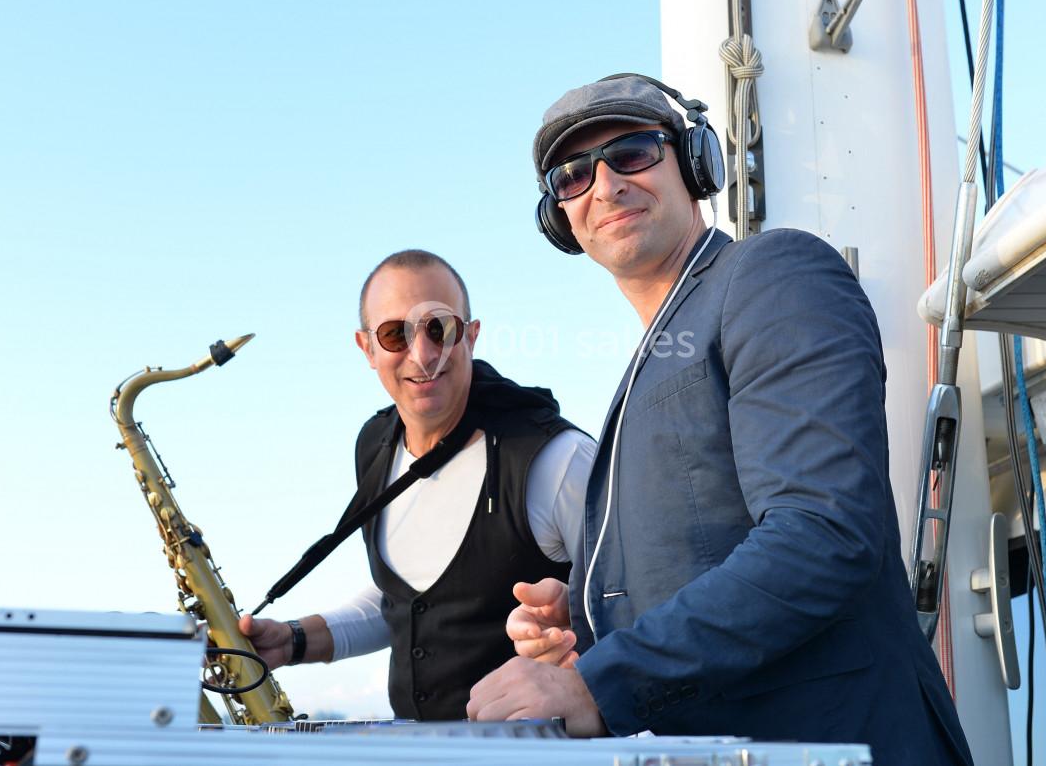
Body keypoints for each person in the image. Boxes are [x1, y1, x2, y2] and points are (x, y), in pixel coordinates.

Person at [466, 76, 974, 765]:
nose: (604, 186)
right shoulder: (657, 350)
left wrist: (598, 684)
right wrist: (588, 613)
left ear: (695, 164)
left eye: (632, 153)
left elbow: (821, 533)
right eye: (573, 175)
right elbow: (708, 547)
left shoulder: (774, 273)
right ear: (560, 216)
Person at [240, 249, 595, 720]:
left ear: (471, 336)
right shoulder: (374, 444)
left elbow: (639, 605)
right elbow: (407, 602)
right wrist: (294, 640)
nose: (423, 355)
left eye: (440, 329)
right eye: (394, 334)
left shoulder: (558, 459)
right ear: (366, 349)